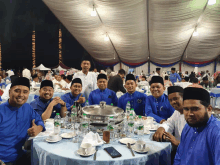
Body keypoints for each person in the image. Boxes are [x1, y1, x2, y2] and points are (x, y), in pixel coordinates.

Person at [0, 77, 45, 164]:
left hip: (22, 155)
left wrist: (38, 128)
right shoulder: (1, 111)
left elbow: (39, 121)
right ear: (9, 92)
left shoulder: (27, 108)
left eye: (25, 92)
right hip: (4, 160)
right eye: (17, 91)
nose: (21, 95)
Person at [173, 87, 220, 165]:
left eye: (195, 109)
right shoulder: (188, 127)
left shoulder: (216, 133)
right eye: (186, 109)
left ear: (209, 109)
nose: (189, 114)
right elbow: (179, 157)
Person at [153, 86, 186, 163]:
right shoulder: (177, 112)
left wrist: (178, 143)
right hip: (178, 152)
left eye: (175, 99)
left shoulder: (191, 116)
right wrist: (161, 128)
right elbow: (169, 123)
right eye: (170, 100)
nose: (173, 102)